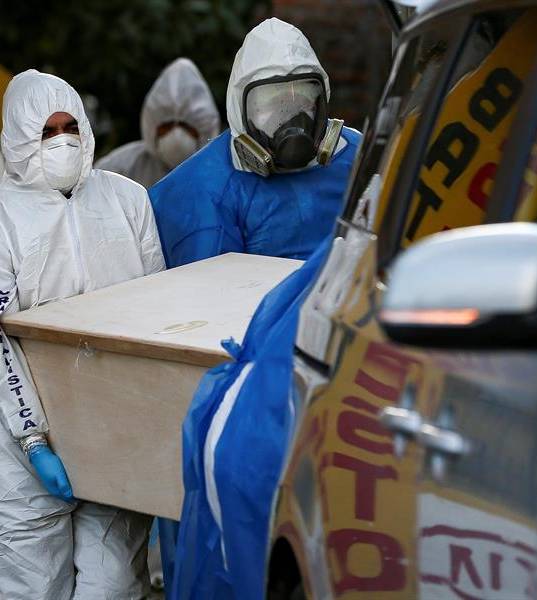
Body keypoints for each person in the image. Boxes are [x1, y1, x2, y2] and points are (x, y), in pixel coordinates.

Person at [0, 69, 165, 599]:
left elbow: (157, 313)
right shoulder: (3, 215)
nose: (62, 140)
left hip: (113, 428)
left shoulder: (126, 200)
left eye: (70, 126)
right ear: (16, 137)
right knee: (34, 585)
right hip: (19, 450)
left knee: (113, 584)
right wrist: (31, 437)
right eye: (46, 131)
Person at [149, 18, 361, 268]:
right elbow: (212, 288)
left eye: (303, 103)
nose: (291, 120)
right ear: (240, 111)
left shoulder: (357, 155)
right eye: (273, 106)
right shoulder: (203, 190)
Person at [96, 57, 220, 188]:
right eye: (167, 126)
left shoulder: (221, 176)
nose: (176, 134)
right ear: (151, 126)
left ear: (203, 128)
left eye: (186, 126)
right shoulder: (118, 169)